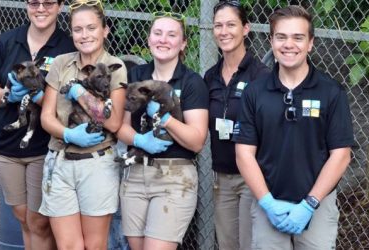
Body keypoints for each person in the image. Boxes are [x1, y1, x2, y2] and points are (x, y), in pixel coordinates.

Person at [234, 5, 354, 250]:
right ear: (271, 41)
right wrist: (267, 203)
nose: (289, 44)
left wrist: (309, 204)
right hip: (268, 202)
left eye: (298, 37)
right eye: (281, 37)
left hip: (317, 206)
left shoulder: (331, 92)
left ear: (310, 43)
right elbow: (244, 153)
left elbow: (341, 155)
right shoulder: (255, 92)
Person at [0, 0, 75, 248]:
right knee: (23, 218)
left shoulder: (67, 47)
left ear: (60, 6)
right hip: (6, 146)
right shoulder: (9, 40)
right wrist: (6, 95)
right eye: (34, 3)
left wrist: (42, 98)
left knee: (40, 220)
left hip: (44, 146)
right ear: (26, 5)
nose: (41, 8)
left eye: (48, 3)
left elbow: (70, 104)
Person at [116, 11, 209, 250]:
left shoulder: (191, 82)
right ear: (148, 39)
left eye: (171, 35)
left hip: (174, 176)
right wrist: (139, 139)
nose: (163, 40)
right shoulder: (137, 75)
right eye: (157, 33)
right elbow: (120, 127)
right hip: (135, 174)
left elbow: (197, 141)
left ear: (183, 44)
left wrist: (164, 117)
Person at [38, 0, 127, 249]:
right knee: (68, 246)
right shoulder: (61, 63)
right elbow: (46, 116)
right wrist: (67, 134)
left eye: (91, 28)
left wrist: (80, 94)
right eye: (78, 29)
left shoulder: (115, 67)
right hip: (60, 161)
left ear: (105, 30)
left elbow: (114, 121)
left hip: (96, 164)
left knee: (94, 245)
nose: (84, 35)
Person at [203, 1, 270, 249]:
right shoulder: (210, 77)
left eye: (231, 24)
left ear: (245, 28)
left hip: (252, 176)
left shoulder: (261, 76)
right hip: (222, 177)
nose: (224, 31)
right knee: (228, 244)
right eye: (218, 25)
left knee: (250, 244)